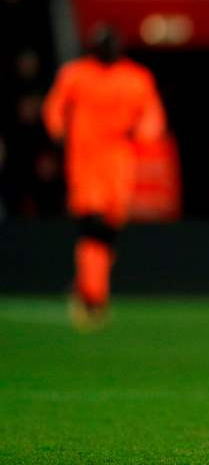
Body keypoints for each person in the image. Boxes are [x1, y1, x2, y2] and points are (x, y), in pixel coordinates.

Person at [42, 25, 166, 331]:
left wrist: (140, 134)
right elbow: (54, 107)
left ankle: (88, 285)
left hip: (119, 163)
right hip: (86, 161)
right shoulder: (76, 75)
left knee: (108, 231)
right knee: (93, 226)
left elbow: (152, 117)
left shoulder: (136, 78)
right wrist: (59, 132)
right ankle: (93, 297)